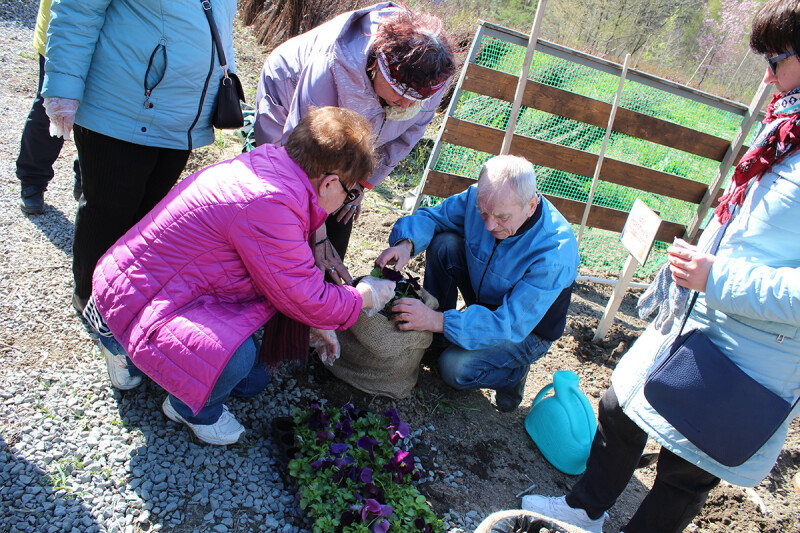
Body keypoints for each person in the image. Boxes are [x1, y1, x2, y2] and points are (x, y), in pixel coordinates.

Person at [521, 1, 800, 531]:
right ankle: (584, 512)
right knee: (620, 406)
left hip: (757, 357)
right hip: (700, 320)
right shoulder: (786, 130)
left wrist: (717, 277)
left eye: (779, 58)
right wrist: (697, 269)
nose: (767, 76)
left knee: (687, 471)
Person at [86, 107, 397, 446]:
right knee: (239, 361)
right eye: (349, 193)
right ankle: (185, 406)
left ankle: (126, 344)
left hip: (144, 283)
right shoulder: (271, 204)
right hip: (136, 296)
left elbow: (282, 280)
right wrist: (365, 295)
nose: (343, 202)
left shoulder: (269, 166)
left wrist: (315, 320)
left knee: (253, 381)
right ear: (331, 182)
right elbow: (305, 296)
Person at [41, 0, 238, 315]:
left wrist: (225, 78)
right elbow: (78, 11)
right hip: (121, 108)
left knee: (148, 216)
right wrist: (63, 88)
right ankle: (90, 298)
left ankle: (122, 294)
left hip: (181, 119)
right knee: (108, 210)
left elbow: (220, 27)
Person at [254, 1, 455, 284]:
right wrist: (317, 233)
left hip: (351, 129)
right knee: (281, 198)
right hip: (289, 99)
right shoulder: (331, 67)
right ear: (377, 66)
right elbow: (300, 156)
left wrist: (360, 184)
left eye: (416, 98)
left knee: (342, 201)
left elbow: (405, 138)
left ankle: (319, 289)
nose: (407, 103)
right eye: (399, 93)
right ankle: (269, 276)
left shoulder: (432, 77)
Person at [375, 155, 579, 412]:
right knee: (444, 244)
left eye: (502, 217)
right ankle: (436, 342)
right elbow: (435, 217)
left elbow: (509, 323)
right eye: (483, 213)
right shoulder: (481, 199)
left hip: (525, 331)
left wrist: (437, 321)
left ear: (531, 205)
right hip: (487, 296)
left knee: (454, 368)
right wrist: (406, 244)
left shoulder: (554, 253)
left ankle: (512, 374)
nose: (490, 224)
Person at [16, 0, 81, 215]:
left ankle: (87, 179)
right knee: (52, 108)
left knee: (103, 111)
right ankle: (32, 181)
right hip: (64, 33)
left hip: (112, 42)